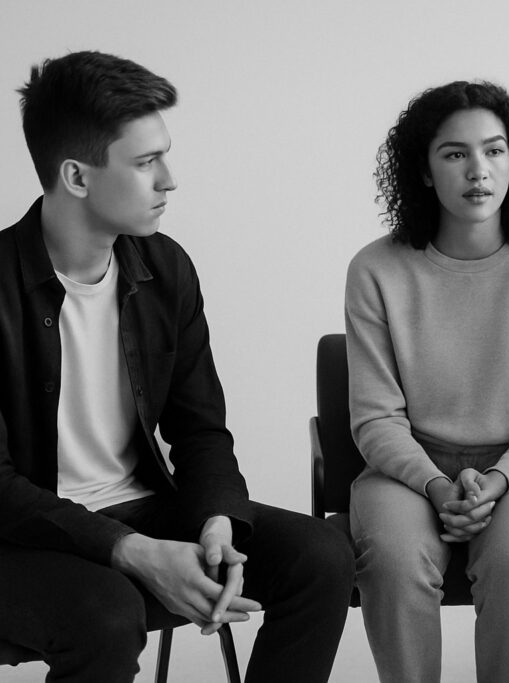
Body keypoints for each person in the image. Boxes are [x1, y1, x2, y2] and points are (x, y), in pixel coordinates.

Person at [0, 51, 354, 682]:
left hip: (139, 507)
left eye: (164, 156)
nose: (169, 180)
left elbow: (199, 430)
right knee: (107, 614)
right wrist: (132, 552)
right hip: (20, 536)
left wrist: (217, 521)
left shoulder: (165, 270)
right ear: (76, 177)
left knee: (320, 556)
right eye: (145, 163)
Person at [345, 80, 509, 683]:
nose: (478, 170)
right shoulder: (375, 269)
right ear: (424, 172)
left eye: (494, 150)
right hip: (409, 472)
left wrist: (499, 480)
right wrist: (434, 484)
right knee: (395, 559)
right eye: (455, 153)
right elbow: (375, 418)